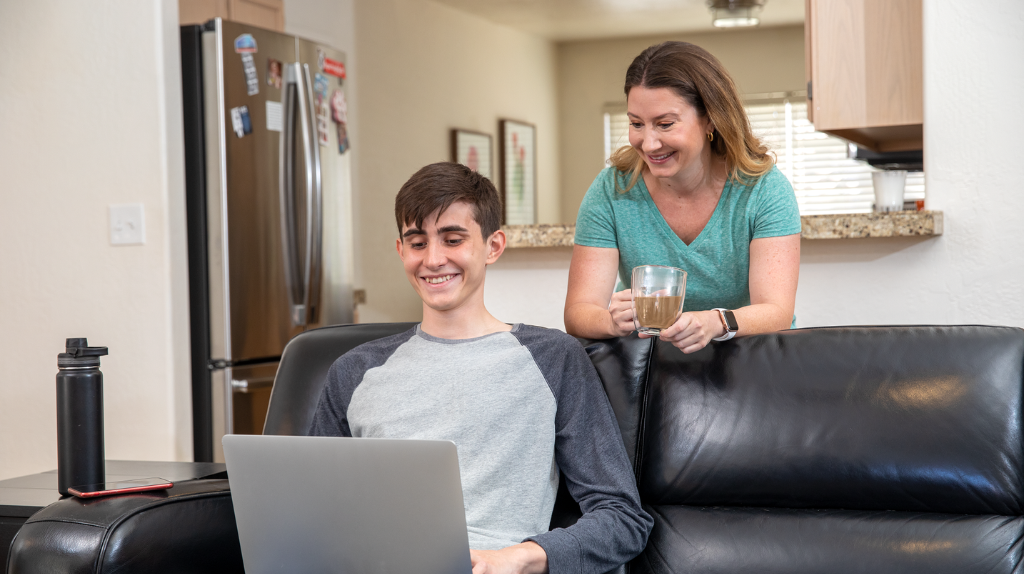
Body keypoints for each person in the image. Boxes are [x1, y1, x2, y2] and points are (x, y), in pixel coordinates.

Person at [310, 162, 652, 574]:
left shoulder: (553, 359)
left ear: (493, 246)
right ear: (401, 250)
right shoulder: (353, 371)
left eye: (452, 239)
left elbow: (622, 519)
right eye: (417, 243)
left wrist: (522, 557)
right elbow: (314, 510)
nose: (433, 259)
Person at [564, 41, 801, 354]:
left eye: (665, 124)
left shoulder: (765, 189)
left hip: (748, 360)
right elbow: (579, 311)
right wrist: (609, 321)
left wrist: (716, 322)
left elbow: (776, 311)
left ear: (710, 119)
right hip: (649, 363)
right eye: (636, 123)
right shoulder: (612, 189)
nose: (648, 143)